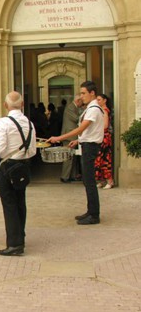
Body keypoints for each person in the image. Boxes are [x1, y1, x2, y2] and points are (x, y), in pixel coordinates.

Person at [0, 91, 36, 256]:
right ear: (23, 104)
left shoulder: (4, 122)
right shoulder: (29, 123)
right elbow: (32, 149)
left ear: (6, 105)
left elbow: (1, 146)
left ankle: (14, 244)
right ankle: (20, 236)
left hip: (8, 166)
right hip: (23, 166)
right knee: (20, 203)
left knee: (10, 205)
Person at [49, 81, 105, 225]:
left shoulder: (93, 109)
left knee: (89, 181)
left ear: (92, 93)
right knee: (87, 181)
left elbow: (81, 129)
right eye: (81, 93)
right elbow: (88, 131)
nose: (81, 96)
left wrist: (59, 138)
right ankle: (90, 211)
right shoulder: (90, 108)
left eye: (83, 93)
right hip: (86, 144)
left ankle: (94, 215)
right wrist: (78, 141)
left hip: (90, 147)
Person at [59, 96, 83, 183]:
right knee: (68, 157)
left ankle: (71, 175)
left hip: (72, 135)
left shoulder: (74, 107)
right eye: (81, 102)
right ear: (78, 101)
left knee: (73, 157)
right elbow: (77, 119)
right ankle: (65, 176)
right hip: (69, 136)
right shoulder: (70, 108)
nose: (82, 104)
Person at [94, 94, 114, 189]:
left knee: (105, 159)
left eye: (99, 99)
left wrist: (96, 129)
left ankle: (109, 180)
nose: (97, 101)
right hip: (101, 136)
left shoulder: (105, 110)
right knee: (100, 159)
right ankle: (102, 180)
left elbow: (105, 125)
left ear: (104, 100)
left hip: (104, 137)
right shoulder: (101, 110)